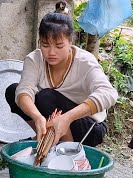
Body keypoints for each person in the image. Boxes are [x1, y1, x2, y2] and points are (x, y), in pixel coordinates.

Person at [5, 12, 118, 147]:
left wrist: (67, 118)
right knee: (13, 91)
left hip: (89, 127)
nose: (51, 52)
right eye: (45, 45)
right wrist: (37, 117)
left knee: (46, 97)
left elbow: (109, 93)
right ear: (39, 41)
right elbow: (24, 90)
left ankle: (67, 151)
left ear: (70, 42)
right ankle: (46, 137)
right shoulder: (35, 59)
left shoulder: (85, 62)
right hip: (56, 117)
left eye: (59, 46)